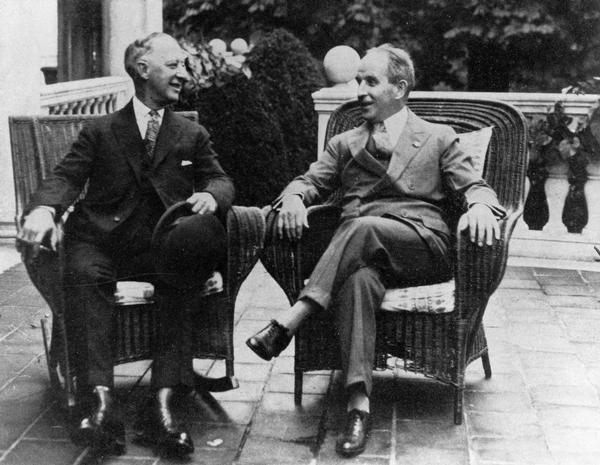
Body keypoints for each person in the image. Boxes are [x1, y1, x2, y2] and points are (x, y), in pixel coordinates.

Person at [246, 44, 505, 457]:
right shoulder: (346, 142)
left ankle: (293, 318)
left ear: (400, 88)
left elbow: (476, 185)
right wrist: (294, 199)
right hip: (360, 253)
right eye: (358, 80)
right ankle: (358, 407)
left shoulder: (437, 138)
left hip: (421, 246)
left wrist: (478, 206)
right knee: (358, 280)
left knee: (362, 227)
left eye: (371, 81)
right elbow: (307, 182)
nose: (360, 89)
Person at [17, 32, 234, 457]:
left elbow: (221, 178)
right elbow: (65, 177)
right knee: (82, 274)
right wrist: (43, 210)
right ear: (142, 69)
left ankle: (164, 405)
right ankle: (97, 402)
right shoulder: (100, 130)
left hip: (159, 246)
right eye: (173, 65)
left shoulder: (191, 134)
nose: (183, 73)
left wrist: (213, 194)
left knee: (180, 276)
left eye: (183, 66)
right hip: (99, 241)